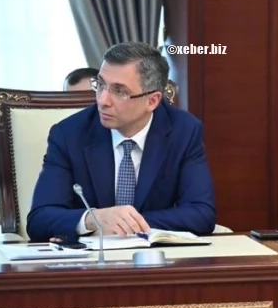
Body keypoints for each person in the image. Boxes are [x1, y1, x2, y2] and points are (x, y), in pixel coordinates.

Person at [27, 42, 216, 241]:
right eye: (100, 85)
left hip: (156, 256)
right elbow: (40, 219)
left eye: (119, 91)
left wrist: (125, 223)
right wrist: (94, 219)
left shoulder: (184, 132)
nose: (102, 100)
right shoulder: (69, 134)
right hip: (91, 257)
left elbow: (201, 214)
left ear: (152, 101)